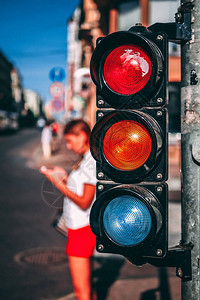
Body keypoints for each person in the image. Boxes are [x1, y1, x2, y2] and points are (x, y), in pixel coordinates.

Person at [40, 119, 96, 300]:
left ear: (82, 136)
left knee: (82, 291)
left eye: (70, 141)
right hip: (79, 228)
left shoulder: (91, 162)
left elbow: (84, 201)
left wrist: (58, 184)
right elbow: (79, 190)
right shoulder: (86, 159)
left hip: (82, 230)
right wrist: (63, 177)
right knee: (87, 287)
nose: (69, 146)